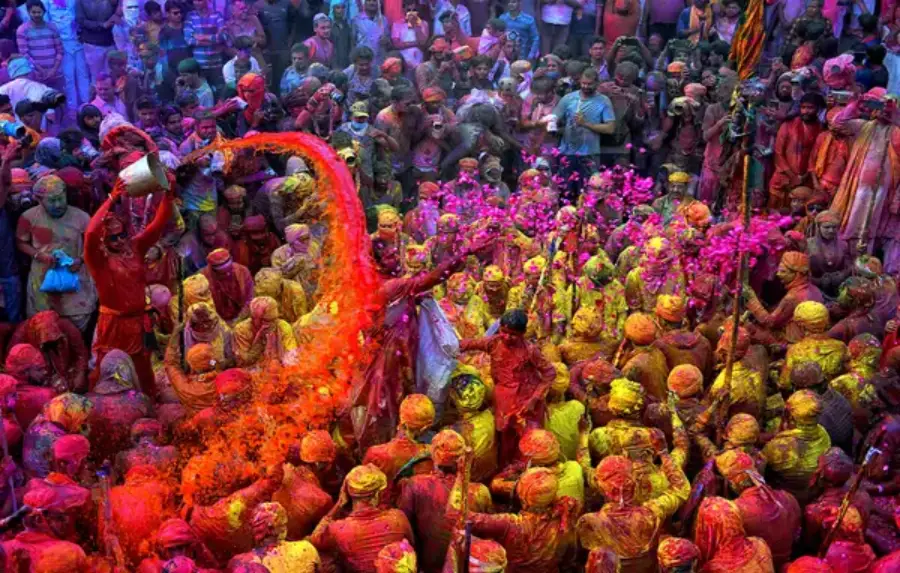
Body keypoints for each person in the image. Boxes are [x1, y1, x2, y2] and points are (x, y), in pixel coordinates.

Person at [84, 159, 173, 397]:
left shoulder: (134, 248)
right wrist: (112, 198)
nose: (120, 240)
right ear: (105, 241)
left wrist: (169, 195)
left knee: (145, 375)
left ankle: (150, 415)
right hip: (113, 326)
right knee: (109, 375)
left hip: (139, 322)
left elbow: (158, 225)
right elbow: (91, 232)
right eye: (113, 237)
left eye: (122, 233)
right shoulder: (98, 259)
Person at [459, 309, 556, 466]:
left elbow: (550, 373)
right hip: (503, 400)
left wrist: (534, 399)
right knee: (505, 440)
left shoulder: (530, 350)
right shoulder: (494, 342)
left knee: (529, 444)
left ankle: (526, 479)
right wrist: (447, 344)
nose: (507, 337)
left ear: (523, 333)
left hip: (527, 403)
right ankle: (505, 474)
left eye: (513, 335)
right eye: (504, 332)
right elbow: (468, 344)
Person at [16, 175, 96, 332]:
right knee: (44, 327)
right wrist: (40, 255)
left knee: (76, 329)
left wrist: (80, 260)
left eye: (61, 198)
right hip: (43, 279)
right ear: (39, 200)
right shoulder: (29, 217)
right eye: (52, 201)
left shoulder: (81, 217)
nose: (58, 204)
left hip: (75, 279)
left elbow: (94, 244)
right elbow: (20, 242)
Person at [309, 464, 415, 572]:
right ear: (377, 494)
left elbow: (313, 541)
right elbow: (411, 547)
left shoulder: (338, 529)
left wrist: (339, 504)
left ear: (347, 492)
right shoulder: (398, 518)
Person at [552, 68, 616, 200]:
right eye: (583, 83)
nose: (586, 86)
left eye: (589, 84)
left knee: (590, 192)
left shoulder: (603, 101)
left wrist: (585, 123)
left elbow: (610, 128)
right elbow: (554, 119)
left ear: (597, 83)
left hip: (590, 154)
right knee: (566, 191)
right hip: (567, 153)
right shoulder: (568, 99)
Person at [770, 93, 825, 211]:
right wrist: (793, 176)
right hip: (783, 178)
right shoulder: (788, 125)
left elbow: (817, 156)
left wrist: (803, 177)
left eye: (810, 108)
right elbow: (778, 153)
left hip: (807, 179)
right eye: (803, 107)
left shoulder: (821, 129)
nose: (805, 111)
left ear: (818, 109)